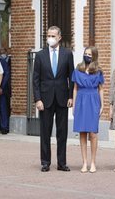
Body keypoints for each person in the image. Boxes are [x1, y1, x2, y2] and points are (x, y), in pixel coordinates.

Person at [33, 26, 74, 172]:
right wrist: (37, 99)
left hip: (62, 98)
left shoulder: (67, 54)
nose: (50, 38)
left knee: (62, 132)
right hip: (45, 99)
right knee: (45, 132)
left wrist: (71, 96)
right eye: (48, 35)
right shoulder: (40, 55)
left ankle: (62, 163)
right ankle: (45, 162)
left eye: (53, 36)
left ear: (59, 37)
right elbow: (35, 79)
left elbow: (72, 77)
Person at [72, 46, 104, 173]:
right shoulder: (78, 69)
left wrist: (102, 105)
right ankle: (84, 162)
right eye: (86, 53)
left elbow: (101, 89)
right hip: (80, 100)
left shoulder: (98, 71)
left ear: (94, 56)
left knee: (93, 133)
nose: (87, 56)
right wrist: (74, 105)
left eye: (90, 54)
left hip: (93, 100)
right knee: (82, 132)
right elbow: (75, 88)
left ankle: (93, 162)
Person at [0, 48, 11, 134]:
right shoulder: (6, 60)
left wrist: (1, 86)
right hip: (5, 87)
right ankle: (4, 126)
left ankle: (4, 126)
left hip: (1, 88)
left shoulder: (0, 61)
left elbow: (6, 74)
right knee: (3, 107)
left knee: (2, 107)